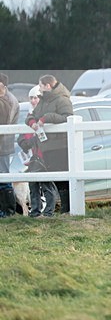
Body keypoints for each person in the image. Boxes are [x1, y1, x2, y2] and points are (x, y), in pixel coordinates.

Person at [26, 74, 73, 213]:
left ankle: (67, 208)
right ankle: (65, 209)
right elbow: (31, 115)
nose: (39, 89)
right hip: (47, 145)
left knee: (63, 178)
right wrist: (32, 122)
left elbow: (68, 117)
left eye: (40, 85)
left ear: (48, 85)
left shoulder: (62, 100)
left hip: (60, 145)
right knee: (56, 178)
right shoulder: (43, 101)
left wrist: (46, 118)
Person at [16, 86, 59, 217]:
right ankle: (35, 211)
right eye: (31, 98)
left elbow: (48, 137)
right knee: (33, 186)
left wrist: (35, 140)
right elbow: (21, 136)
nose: (34, 100)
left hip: (44, 156)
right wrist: (24, 143)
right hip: (31, 157)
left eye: (36, 97)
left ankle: (48, 212)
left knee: (47, 185)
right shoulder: (29, 116)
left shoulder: (45, 114)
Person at [0, 73, 19, 216]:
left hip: (3, 146)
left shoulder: (9, 101)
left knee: (4, 178)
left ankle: (8, 211)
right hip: (3, 145)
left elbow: (4, 120)